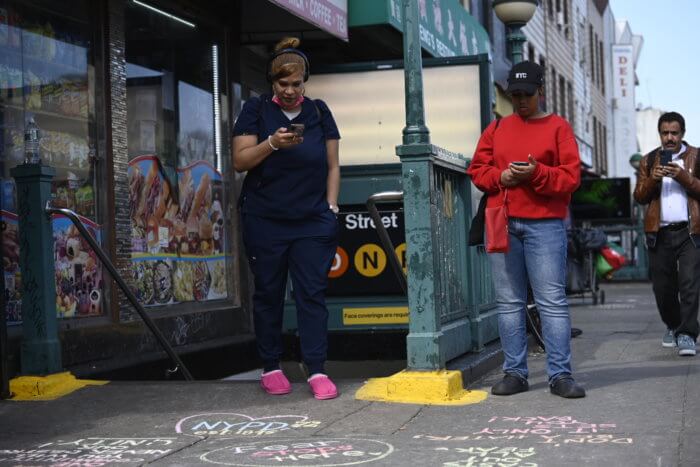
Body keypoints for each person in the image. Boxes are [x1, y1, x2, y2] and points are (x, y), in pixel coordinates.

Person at [467, 61, 585, 398]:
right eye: (514, 94)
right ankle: (515, 373)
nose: (520, 100)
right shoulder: (497, 128)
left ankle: (560, 375)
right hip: (503, 221)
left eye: (527, 94)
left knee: (551, 303)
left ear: (541, 92)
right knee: (508, 303)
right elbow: (477, 170)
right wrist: (500, 177)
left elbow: (571, 179)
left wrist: (535, 173)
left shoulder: (559, 127)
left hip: (545, 224)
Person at [232, 37, 341, 399]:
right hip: (265, 218)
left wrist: (332, 205)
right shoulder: (256, 110)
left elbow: (333, 164)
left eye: (297, 83)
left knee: (312, 294)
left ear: (305, 82)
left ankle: (317, 370)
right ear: (272, 82)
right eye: (283, 84)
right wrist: (272, 143)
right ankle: (271, 365)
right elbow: (239, 161)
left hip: (312, 220)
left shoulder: (320, 112)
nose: (291, 91)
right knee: (268, 293)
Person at [633, 111, 700, 357]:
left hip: (690, 232)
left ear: (683, 133)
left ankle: (688, 334)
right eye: (665, 133)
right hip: (659, 233)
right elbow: (639, 197)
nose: (669, 137)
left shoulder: (697, 156)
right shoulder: (649, 160)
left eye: (674, 132)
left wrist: (682, 176)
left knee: (690, 284)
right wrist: (653, 179)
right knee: (663, 289)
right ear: (660, 134)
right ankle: (674, 325)